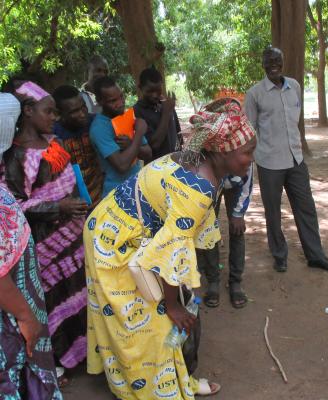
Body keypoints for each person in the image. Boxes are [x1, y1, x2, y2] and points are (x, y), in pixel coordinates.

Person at [83, 98, 256, 399]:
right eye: (248, 152)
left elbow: (176, 239)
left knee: (162, 318)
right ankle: (153, 391)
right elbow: (169, 253)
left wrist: (179, 295)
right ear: (220, 151)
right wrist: (174, 305)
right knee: (147, 327)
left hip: (130, 231)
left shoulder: (195, 160)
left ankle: (177, 381)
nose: (253, 158)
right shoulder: (197, 190)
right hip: (111, 239)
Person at [4, 81, 89, 384]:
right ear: (27, 112)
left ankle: (82, 352)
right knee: (52, 301)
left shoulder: (53, 142)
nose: (54, 117)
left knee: (79, 293)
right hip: (45, 249)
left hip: (72, 241)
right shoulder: (15, 157)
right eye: (48, 111)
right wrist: (59, 207)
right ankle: (57, 361)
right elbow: (13, 206)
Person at [245, 47, 328, 273]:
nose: (273, 64)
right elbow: (249, 130)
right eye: (269, 60)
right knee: (273, 212)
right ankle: (279, 255)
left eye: (277, 60)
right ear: (263, 64)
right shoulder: (255, 94)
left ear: (283, 61)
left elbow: (294, 122)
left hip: (296, 160)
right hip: (269, 162)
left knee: (306, 208)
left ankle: (316, 256)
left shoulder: (295, 87)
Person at [0, 97, 62, 399]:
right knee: (16, 373)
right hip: (12, 313)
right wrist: (25, 316)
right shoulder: (14, 159)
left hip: (19, 302)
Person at [198, 163, 253, 309]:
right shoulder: (208, 154)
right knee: (208, 229)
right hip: (211, 180)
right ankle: (213, 280)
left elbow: (247, 183)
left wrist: (238, 214)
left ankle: (235, 281)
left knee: (237, 229)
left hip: (236, 183)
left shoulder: (242, 150)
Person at [89, 76, 152, 197]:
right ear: (99, 101)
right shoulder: (99, 128)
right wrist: (138, 134)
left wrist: (131, 144)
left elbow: (148, 153)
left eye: (121, 97)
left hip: (137, 187)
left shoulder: (126, 117)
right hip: (117, 194)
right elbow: (122, 166)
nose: (120, 103)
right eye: (113, 101)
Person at [53, 84, 104, 206]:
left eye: (83, 107)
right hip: (73, 206)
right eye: (74, 111)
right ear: (59, 114)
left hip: (101, 197)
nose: (82, 114)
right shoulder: (53, 136)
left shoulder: (96, 123)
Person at [134, 67, 182, 160]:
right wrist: (166, 113)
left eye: (158, 90)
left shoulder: (166, 105)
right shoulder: (137, 111)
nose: (155, 95)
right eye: (150, 91)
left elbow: (178, 135)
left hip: (176, 161)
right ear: (140, 88)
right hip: (157, 168)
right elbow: (154, 145)